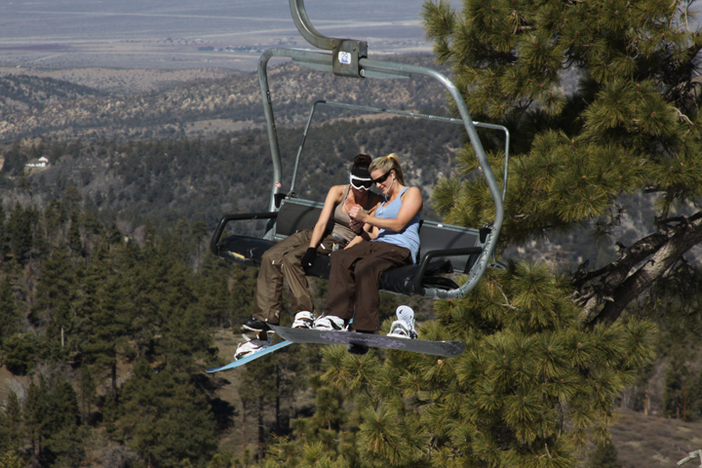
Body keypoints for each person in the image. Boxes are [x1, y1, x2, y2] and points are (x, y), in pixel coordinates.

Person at [235, 154, 384, 359]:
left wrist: (346, 254)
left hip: (340, 241)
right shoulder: (338, 191)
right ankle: (266, 318)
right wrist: (312, 248)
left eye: (366, 185)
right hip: (317, 233)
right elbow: (322, 223)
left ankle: (305, 312)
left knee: (291, 259)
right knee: (271, 256)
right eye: (357, 183)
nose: (360, 189)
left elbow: (363, 235)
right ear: (350, 179)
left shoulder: (375, 201)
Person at [314, 153, 423, 354]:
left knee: (365, 267)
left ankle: (364, 331)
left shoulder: (410, 193)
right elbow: (371, 233)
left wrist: (367, 217)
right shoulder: (382, 204)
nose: (379, 185)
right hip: (378, 245)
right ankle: (337, 317)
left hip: (400, 247)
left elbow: (399, 224)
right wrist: (359, 228)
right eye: (375, 182)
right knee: (340, 257)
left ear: (392, 174)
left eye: (381, 179)